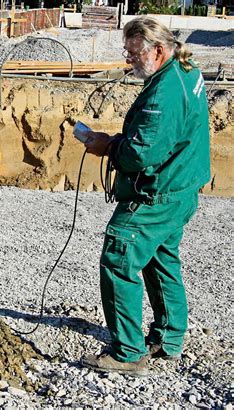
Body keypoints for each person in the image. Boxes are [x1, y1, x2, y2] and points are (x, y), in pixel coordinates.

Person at [80, 16, 210, 375]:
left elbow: (142, 152)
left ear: (158, 49)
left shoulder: (165, 91)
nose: (129, 60)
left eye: (134, 52)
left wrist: (108, 146)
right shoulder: (186, 71)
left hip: (156, 193)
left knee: (119, 259)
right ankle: (169, 338)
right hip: (181, 188)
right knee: (161, 258)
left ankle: (128, 352)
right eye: (127, 52)